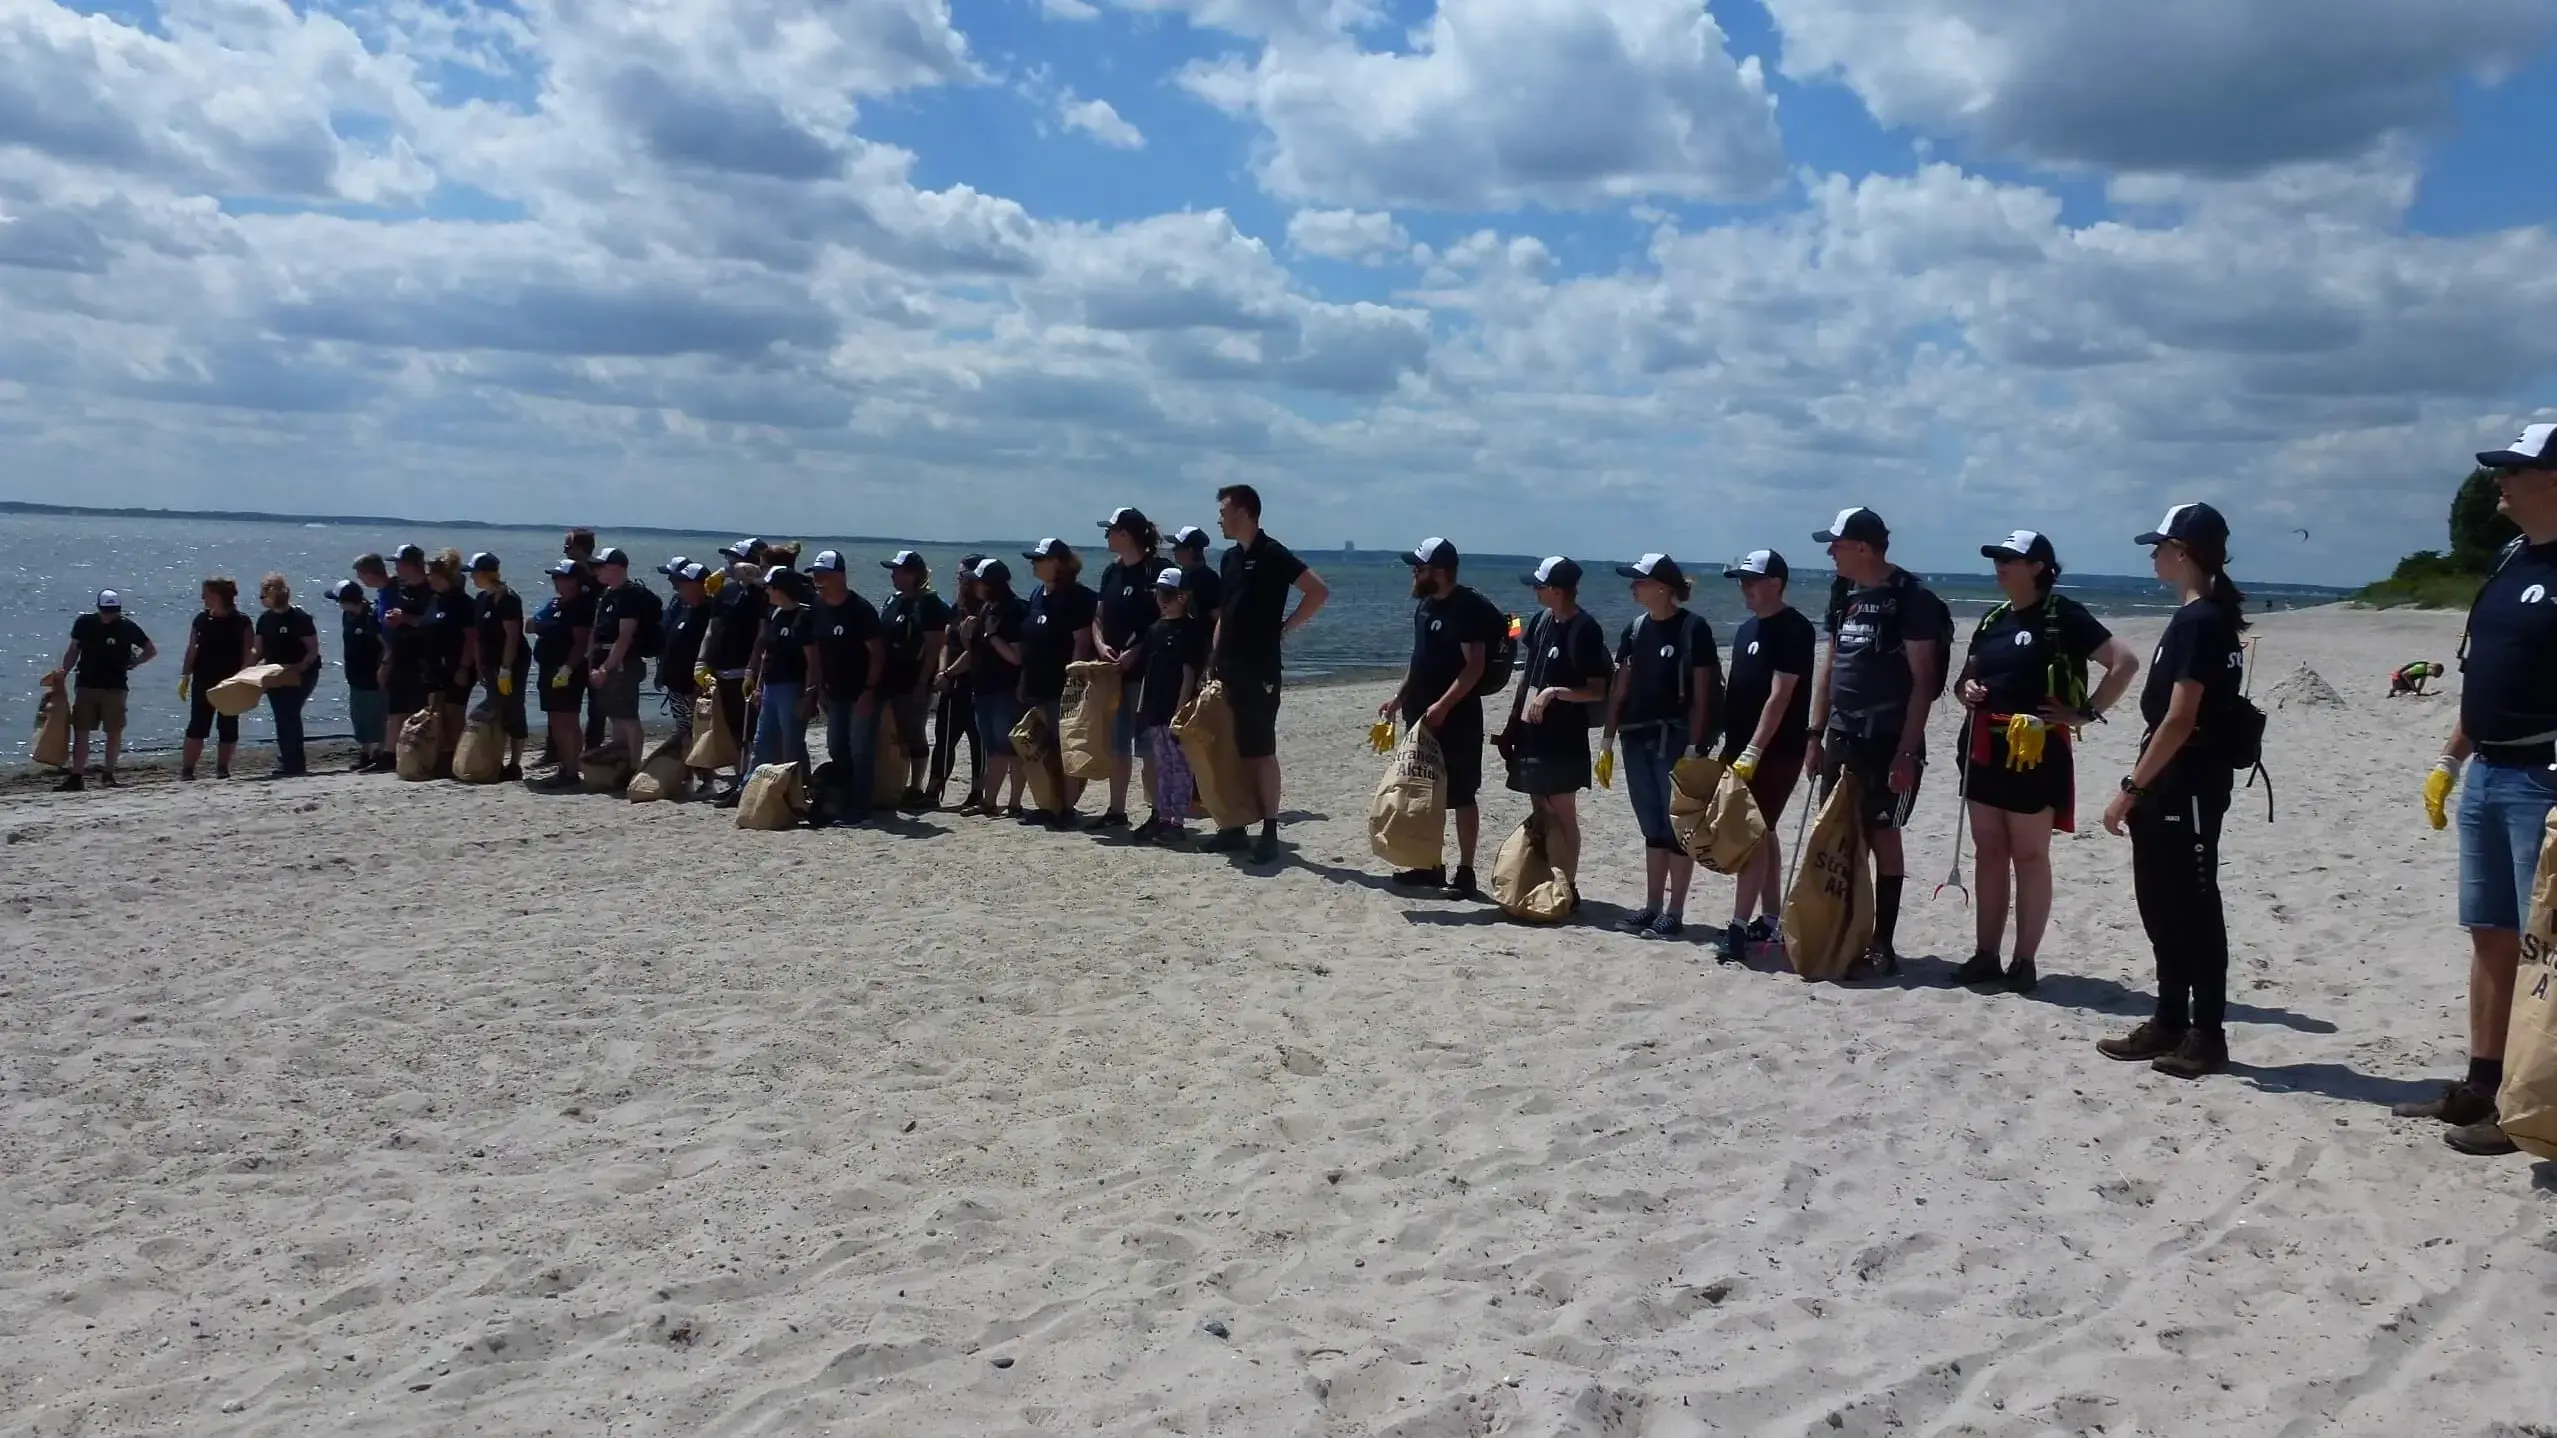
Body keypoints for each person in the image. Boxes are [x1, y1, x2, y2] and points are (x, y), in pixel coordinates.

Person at [2399, 425, 2557, 1155]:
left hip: (2542, 780)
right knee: (2489, 935)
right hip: (2487, 773)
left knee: (2543, 949)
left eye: (2514, 469)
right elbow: (2479, 674)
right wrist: (2449, 759)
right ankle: (2483, 1083)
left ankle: (2535, 1104)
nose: (2499, 480)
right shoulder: (2506, 559)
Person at [1949, 531, 2143, 992]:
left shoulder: (2063, 615)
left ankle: (2024, 961)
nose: (1999, 566)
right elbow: (1963, 682)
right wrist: (1967, 692)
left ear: (2037, 566)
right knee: (1989, 853)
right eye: (1996, 558)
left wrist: (2086, 712)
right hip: (1983, 750)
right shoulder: (1993, 617)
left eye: (2009, 559)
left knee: (2030, 856)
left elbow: (2126, 663)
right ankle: (1985, 955)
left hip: (2035, 754)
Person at [2098, 503, 2250, 1080]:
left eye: (2159, 546)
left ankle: (2205, 1032)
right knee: (2161, 903)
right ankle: (2168, 1019)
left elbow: (2181, 718)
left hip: (2186, 782)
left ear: (2183, 553)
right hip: (2175, 782)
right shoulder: (2198, 617)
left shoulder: (2201, 621)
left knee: (2192, 907)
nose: (2153, 555)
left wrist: (2131, 786)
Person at [1803, 507, 1949, 978]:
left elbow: (1924, 682)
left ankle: (1882, 943)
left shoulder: (1911, 599)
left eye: (1837, 544)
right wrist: (1814, 732)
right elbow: (1830, 665)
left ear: (1863, 547)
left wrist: (1906, 751)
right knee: (1840, 836)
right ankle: (1844, 934)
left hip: (1889, 739)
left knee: (1885, 836)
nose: (1830, 552)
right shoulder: (1843, 592)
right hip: (1842, 735)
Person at [1210, 484, 1329, 861]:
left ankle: (1269, 829)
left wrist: (1286, 626)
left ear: (1244, 512)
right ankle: (1235, 825)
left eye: (1224, 510)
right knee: (1230, 747)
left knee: (1260, 749)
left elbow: (1317, 591)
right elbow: (1224, 615)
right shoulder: (1228, 559)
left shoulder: (1272, 553)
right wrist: (1212, 660)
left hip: (1259, 668)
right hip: (1226, 667)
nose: (1219, 518)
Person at [1603, 554, 1718, 940]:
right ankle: (1651, 906)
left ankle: (1675, 911)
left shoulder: (1693, 629)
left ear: (1663, 587)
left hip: (1675, 741)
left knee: (1676, 829)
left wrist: (1694, 747)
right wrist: (1606, 739)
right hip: (1635, 738)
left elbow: (1703, 695)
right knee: (1651, 827)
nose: (1633, 586)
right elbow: (1620, 688)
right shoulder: (1635, 630)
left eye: (1640, 580)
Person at [1383, 537, 1502, 898]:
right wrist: (1399, 697)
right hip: (1420, 715)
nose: (1414, 573)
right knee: (1424, 792)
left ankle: (1465, 872)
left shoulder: (1466, 608)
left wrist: (1445, 705)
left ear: (1440, 571)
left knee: (1462, 794)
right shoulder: (1424, 606)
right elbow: (1418, 660)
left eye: (1418, 567)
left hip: (1458, 717)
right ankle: (1429, 865)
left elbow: (1474, 667)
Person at [1715, 551, 1815, 962]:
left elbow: (1781, 694)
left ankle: (1739, 927)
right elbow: (1737, 691)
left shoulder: (1795, 629)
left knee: (1753, 834)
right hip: (1738, 747)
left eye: (1752, 580)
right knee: (1765, 832)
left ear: (1776, 582)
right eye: (1741, 580)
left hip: (1777, 750)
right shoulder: (1745, 630)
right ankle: (1771, 917)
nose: (1745, 587)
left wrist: (1756, 748)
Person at [1501, 557, 1612, 913]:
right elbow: (1528, 675)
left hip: (1565, 735)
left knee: (1562, 810)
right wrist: (1512, 723)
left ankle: (1568, 885)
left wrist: (1555, 693)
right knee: (1540, 808)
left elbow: (1597, 690)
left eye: (1540, 585)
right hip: (1534, 733)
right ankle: (1547, 880)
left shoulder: (1586, 629)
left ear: (1559, 590)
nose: (1534, 590)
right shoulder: (1541, 621)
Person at [1091, 510, 1174, 830]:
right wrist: (1100, 647)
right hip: (1113, 673)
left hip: (1148, 672)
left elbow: (1169, 618)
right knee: (1116, 742)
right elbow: (1097, 618)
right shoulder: (1112, 572)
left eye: (1110, 531)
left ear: (1126, 534)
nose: (1107, 537)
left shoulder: (1158, 570)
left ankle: (1158, 812)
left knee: (1148, 745)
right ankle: (1117, 810)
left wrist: (1137, 649)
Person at [1019, 537, 1100, 826]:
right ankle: (1047, 802)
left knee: (1066, 747)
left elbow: (1082, 642)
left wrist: (1074, 685)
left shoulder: (1077, 597)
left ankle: (1067, 808)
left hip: (1063, 685)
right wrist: (1023, 679)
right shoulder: (1037, 594)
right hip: (1036, 682)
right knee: (1041, 746)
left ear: (1057, 563)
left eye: (1039, 560)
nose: (1033, 564)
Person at [811, 550, 887, 823]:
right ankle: (842, 799)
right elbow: (817, 651)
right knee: (836, 747)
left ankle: (860, 806)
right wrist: (819, 688)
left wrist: (869, 691)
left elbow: (877, 653)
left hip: (862, 692)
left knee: (861, 749)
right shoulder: (818, 607)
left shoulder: (860, 609)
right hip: (835, 692)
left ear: (840, 576)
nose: (818, 579)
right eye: (816, 574)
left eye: (824, 574)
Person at [1135, 566, 1210, 844]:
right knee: (1162, 765)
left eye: (1168, 594)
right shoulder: (1155, 629)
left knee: (1180, 766)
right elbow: (1147, 671)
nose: (1161, 599)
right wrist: (1142, 708)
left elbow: (1189, 672)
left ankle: (1177, 821)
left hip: (1178, 711)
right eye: (1158, 593)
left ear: (1183, 596)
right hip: (1155, 709)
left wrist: (1180, 711)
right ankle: (1163, 817)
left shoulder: (1191, 630)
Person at [56, 589, 155, 791]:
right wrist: (63, 672)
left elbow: (150, 649)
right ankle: (77, 776)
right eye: (106, 610)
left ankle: (108, 775)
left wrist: (134, 662)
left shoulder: (127, 627)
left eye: (113, 611)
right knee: (81, 731)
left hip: (115, 687)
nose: (109, 615)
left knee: (113, 732)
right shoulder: (84, 623)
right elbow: (73, 650)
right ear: (99, 608)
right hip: (86, 684)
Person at [879, 550, 951, 810]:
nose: (893, 575)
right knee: (894, 733)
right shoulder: (893, 600)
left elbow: (934, 645)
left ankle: (916, 785)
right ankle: (895, 781)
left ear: (912, 574)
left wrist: (923, 682)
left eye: (898, 570)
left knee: (913, 732)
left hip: (913, 679)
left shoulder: (928, 603)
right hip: (890, 678)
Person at [698, 539, 769, 798]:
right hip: (722, 670)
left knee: (750, 730)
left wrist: (755, 671)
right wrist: (702, 661)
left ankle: (750, 780)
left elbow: (763, 634)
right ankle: (740, 778)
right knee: (733, 729)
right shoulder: (725, 592)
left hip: (746, 671)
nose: (729, 564)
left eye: (735, 559)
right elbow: (712, 628)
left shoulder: (764, 593)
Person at [585, 547, 659, 774]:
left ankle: (635, 766)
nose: (596, 570)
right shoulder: (607, 594)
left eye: (601, 565)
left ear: (616, 567)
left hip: (623, 663)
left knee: (627, 716)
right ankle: (621, 763)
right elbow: (597, 630)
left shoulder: (629, 595)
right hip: (604, 659)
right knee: (615, 716)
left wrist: (606, 667)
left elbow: (625, 636)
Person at [965, 558, 1029, 816]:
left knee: (1009, 747)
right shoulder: (985, 610)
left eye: (979, 582)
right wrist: (967, 637)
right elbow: (976, 652)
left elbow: (1017, 657)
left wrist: (993, 636)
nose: (975, 586)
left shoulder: (1015, 610)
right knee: (993, 747)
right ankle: (991, 801)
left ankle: (1010, 802)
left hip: (1006, 689)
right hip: (984, 688)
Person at [178, 575, 256, 781]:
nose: (202, 597)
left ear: (216, 595)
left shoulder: (242, 621)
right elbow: (192, 648)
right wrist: (185, 675)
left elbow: (248, 652)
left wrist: (245, 679)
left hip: (230, 682)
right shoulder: (201, 619)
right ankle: (187, 770)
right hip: (203, 680)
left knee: (228, 725)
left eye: (206, 593)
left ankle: (222, 768)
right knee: (197, 726)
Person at [525, 561, 594, 792]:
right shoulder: (555, 603)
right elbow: (530, 625)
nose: (557, 582)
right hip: (548, 667)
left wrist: (567, 668)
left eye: (562, 578)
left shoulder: (580, 606)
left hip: (566, 670)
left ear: (575, 581)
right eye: (555, 578)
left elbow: (580, 642)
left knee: (565, 722)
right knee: (558, 720)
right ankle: (569, 766)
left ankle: (570, 770)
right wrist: (543, 625)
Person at [749, 566, 822, 769]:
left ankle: (799, 787)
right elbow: (767, 654)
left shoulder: (804, 616)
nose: (766, 592)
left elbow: (813, 661)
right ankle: (750, 786)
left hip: (792, 687)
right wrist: (758, 685)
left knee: (792, 743)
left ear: (780, 589)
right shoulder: (776, 614)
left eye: (769, 588)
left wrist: (809, 695)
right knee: (762, 739)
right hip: (770, 686)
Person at [252, 574, 322, 780]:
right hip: (274, 673)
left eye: (263, 595)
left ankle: (294, 762)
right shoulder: (265, 619)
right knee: (282, 715)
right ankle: (289, 759)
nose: (262, 599)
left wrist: (300, 667)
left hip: (301, 673)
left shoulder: (299, 618)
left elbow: (312, 649)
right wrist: (244, 671)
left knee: (288, 712)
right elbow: (257, 650)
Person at [934, 554, 988, 811]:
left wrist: (950, 673)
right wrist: (943, 671)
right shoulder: (958, 607)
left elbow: (975, 650)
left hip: (975, 680)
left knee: (978, 739)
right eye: (959, 575)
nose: (960, 580)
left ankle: (978, 790)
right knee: (944, 735)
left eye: (963, 575)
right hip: (952, 680)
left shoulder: (985, 609)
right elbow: (947, 641)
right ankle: (934, 787)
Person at [469, 553, 529, 779]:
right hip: (489, 661)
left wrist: (506, 668)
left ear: (485, 573)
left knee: (513, 707)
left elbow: (512, 636)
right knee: (495, 707)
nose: (472, 578)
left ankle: (515, 763)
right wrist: (478, 664)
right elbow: (478, 635)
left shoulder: (508, 598)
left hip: (512, 663)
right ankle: (494, 758)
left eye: (474, 573)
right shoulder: (481, 599)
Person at [376, 543, 433, 768]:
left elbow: (429, 622)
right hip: (400, 652)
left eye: (399, 563)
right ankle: (390, 755)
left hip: (421, 656)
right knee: (395, 706)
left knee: (418, 708)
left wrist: (405, 619)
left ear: (411, 565)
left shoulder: (430, 590)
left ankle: (415, 752)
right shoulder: (402, 588)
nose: (396, 568)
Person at [421, 549, 477, 772]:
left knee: (454, 714)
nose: (428, 579)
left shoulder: (463, 603)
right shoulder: (435, 600)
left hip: (457, 664)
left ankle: (455, 756)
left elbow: (471, 637)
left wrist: (464, 666)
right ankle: (440, 755)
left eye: (432, 575)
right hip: (434, 665)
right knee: (435, 713)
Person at [659, 560, 712, 789]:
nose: (678, 586)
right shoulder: (683, 608)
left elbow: (709, 649)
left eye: (684, 583)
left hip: (694, 685)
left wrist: (700, 685)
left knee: (700, 734)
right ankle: (686, 776)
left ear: (700, 585)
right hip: (675, 683)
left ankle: (706, 779)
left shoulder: (709, 612)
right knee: (683, 732)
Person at [327, 579, 385, 773]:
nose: (338, 605)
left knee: (376, 715)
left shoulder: (371, 616)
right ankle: (365, 753)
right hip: (355, 675)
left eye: (340, 601)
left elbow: (384, 643)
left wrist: (384, 666)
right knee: (359, 716)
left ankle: (379, 753)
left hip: (373, 675)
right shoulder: (348, 616)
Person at [563, 527, 607, 752]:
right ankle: (557, 748)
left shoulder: (599, 573)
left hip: (595, 645)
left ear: (581, 548)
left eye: (568, 546)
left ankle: (592, 748)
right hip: (569, 643)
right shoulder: (567, 572)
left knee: (596, 704)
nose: (565, 551)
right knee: (563, 701)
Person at [1171, 524, 1223, 616]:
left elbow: (1216, 614)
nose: (1173, 550)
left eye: (1177, 547)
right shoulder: (1177, 575)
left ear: (1190, 550)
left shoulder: (1209, 579)